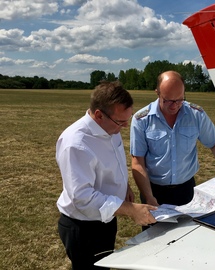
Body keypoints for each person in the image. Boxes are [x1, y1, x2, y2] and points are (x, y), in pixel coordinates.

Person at [56, 81, 157, 270]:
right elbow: (82, 198)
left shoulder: (110, 128)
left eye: (127, 120)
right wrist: (130, 209)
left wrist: (124, 185)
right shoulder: (76, 144)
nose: (125, 126)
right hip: (84, 227)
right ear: (99, 115)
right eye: (121, 121)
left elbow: (114, 162)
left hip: (106, 219)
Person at [130, 70, 215, 208]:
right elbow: (137, 162)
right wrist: (149, 197)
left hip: (187, 190)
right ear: (157, 93)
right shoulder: (142, 120)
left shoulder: (195, 115)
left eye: (179, 100)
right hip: (154, 191)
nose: (174, 106)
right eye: (167, 100)